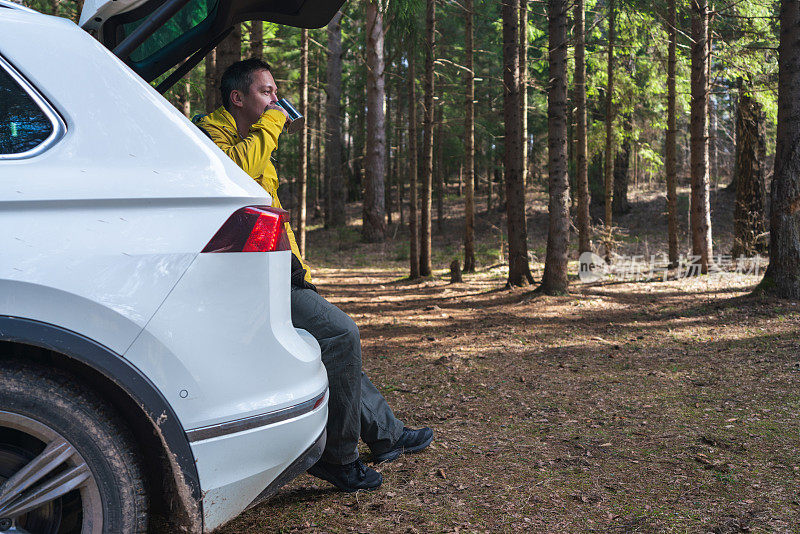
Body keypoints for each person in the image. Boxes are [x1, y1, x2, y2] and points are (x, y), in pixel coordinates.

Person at [196, 58, 433, 492]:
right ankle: (338, 459)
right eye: (266, 92)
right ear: (238, 98)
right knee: (342, 336)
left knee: (336, 348)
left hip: (276, 269)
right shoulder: (210, 136)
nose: (275, 100)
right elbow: (237, 175)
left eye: (274, 93)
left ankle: (384, 433)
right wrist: (270, 125)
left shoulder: (248, 136)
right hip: (247, 280)